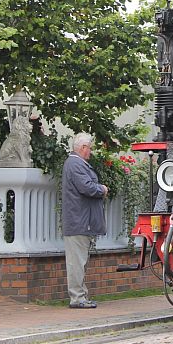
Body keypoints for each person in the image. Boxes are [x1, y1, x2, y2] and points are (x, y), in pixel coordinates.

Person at [62, 132, 108, 309]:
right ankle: (77, 298)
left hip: (80, 220)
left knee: (79, 261)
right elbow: (87, 188)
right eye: (90, 148)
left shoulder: (75, 163)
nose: (91, 152)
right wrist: (102, 189)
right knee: (77, 263)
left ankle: (81, 296)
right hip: (79, 221)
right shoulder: (75, 164)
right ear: (82, 148)